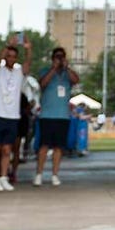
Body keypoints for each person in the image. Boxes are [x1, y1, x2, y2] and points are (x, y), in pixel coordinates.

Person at [0, 39, 28, 192]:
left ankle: (4, 177)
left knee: (6, 150)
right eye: (8, 56)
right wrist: (6, 46)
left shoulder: (18, 73)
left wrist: (28, 50)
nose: (10, 58)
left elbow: (27, 65)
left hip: (12, 116)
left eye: (13, 56)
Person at [34, 47, 78, 187]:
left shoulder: (67, 74)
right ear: (53, 58)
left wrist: (67, 67)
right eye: (57, 57)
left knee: (59, 147)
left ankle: (55, 174)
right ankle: (39, 174)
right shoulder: (46, 71)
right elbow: (42, 83)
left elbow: (76, 80)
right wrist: (53, 69)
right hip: (47, 115)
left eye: (61, 57)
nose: (59, 59)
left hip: (63, 116)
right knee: (44, 146)